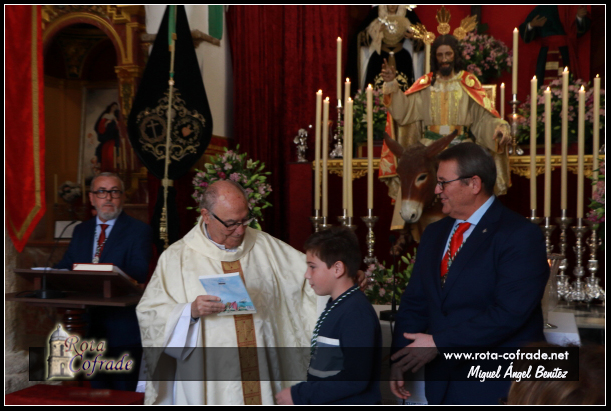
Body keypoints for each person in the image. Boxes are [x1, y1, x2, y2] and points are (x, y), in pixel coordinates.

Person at [389, 143, 549, 405]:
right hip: (442, 382)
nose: (437, 190)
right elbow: (415, 302)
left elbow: (509, 313)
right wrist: (399, 359)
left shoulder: (519, 235)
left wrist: (439, 343)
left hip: (497, 384)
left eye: (443, 182)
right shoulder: (434, 233)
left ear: (474, 184)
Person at [136, 180, 319, 405]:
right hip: (210, 375)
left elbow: (311, 278)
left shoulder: (266, 246)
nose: (240, 230)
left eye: (245, 220)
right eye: (231, 223)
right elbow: (150, 313)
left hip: (263, 367)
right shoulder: (177, 258)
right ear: (206, 215)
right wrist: (189, 312)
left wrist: (343, 277)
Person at [378, 34, 512, 239]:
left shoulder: (468, 83)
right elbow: (403, 112)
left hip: (461, 145)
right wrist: (391, 85)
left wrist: (499, 128)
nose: (444, 59)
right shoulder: (426, 84)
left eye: (448, 54)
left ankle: (472, 222)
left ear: (455, 55)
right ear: (435, 58)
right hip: (429, 146)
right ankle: (408, 226)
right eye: (440, 55)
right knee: (414, 170)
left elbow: (483, 119)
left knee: (472, 173)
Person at [55, 172, 153, 391]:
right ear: (91, 198)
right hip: (85, 328)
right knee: (95, 394)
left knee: (123, 397)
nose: (108, 197)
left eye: (114, 192)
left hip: (122, 329)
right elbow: (67, 264)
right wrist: (49, 273)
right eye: (101, 192)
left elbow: (139, 271)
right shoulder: (81, 230)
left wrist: (98, 273)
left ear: (123, 197)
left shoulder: (139, 230)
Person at [275, 227, 382, 405]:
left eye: (312, 267)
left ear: (337, 268)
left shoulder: (356, 313)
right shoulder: (338, 304)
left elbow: (355, 379)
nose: (307, 275)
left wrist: (300, 394)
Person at [351, 5, 424, 93]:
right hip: (379, 57)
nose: (392, 5)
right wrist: (376, 31)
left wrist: (414, 36)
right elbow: (362, 38)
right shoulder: (377, 16)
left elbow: (421, 37)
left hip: (402, 58)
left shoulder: (406, 17)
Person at [519, 6, 591, 88]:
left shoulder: (569, 7)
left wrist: (579, 17)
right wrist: (531, 25)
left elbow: (577, 31)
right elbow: (526, 30)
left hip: (565, 51)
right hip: (546, 53)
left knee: (567, 82)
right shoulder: (541, 8)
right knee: (543, 81)